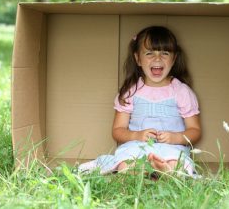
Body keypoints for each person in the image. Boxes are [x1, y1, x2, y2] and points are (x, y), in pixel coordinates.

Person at [79, 26, 201, 176]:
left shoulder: (182, 91)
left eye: (165, 53)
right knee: (126, 164)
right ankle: (139, 171)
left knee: (177, 163)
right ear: (138, 59)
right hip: (137, 147)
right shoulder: (130, 92)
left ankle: (165, 170)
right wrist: (136, 135)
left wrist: (175, 137)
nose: (157, 58)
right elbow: (118, 130)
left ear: (174, 59)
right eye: (149, 53)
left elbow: (194, 131)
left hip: (172, 148)